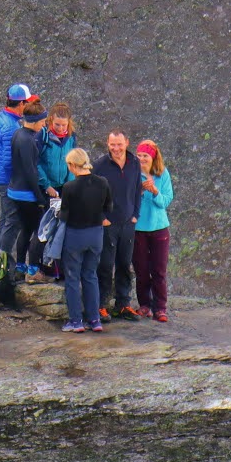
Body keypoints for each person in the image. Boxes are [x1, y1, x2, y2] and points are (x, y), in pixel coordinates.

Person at [56, 148, 109, 331]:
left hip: (75, 235)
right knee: (90, 275)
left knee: (72, 277)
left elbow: (64, 214)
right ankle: (95, 320)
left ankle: (76, 321)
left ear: (72, 165)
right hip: (96, 234)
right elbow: (108, 206)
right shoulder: (102, 183)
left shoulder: (69, 188)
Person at [96, 130, 143, 320]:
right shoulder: (100, 165)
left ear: (127, 143)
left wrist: (135, 215)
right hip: (108, 223)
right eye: (112, 144)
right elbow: (91, 191)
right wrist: (101, 217)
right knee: (105, 264)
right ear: (107, 144)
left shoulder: (135, 163)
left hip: (127, 223)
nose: (116, 148)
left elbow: (138, 188)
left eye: (119, 144)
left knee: (124, 264)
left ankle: (123, 304)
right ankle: (100, 305)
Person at [0, 83, 31, 268]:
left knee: (5, 218)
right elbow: (9, 161)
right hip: (8, 181)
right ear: (20, 103)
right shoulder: (11, 128)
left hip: (0, 177)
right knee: (13, 220)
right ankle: (2, 262)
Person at [133, 139, 175, 322]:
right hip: (138, 228)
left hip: (159, 227)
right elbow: (128, 198)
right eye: (139, 155)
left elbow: (166, 201)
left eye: (145, 156)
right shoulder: (133, 174)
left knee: (159, 270)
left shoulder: (162, 174)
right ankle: (144, 304)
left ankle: (160, 308)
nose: (142, 159)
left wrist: (155, 191)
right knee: (141, 269)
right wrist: (141, 191)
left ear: (153, 157)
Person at [8, 100, 49, 283]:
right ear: (34, 120)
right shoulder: (28, 140)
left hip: (15, 191)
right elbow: (30, 170)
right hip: (27, 194)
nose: (44, 124)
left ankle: (20, 266)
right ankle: (33, 269)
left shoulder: (18, 134)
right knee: (39, 230)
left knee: (25, 229)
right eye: (42, 121)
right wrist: (39, 197)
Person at [39, 102, 78, 208]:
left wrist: (69, 185)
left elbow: (73, 162)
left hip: (65, 187)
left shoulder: (71, 137)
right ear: (51, 119)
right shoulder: (43, 136)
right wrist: (47, 186)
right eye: (57, 124)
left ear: (69, 123)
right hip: (46, 188)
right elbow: (36, 162)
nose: (60, 128)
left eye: (64, 125)